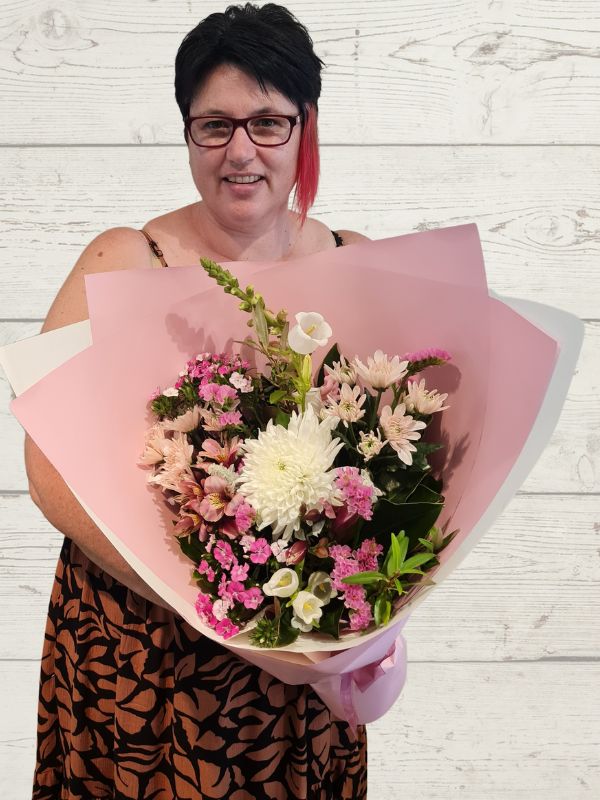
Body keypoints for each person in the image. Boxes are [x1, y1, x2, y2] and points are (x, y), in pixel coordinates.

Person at [25, 4, 370, 798]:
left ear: (304, 126)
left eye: (267, 123)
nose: (240, 151)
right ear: (186, 132)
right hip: (140, 652)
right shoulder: (122, 260)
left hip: (299, 657)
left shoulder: (360, 265)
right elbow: (48, 472)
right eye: (213, 125)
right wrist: (210, 611)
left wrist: (359, 612)